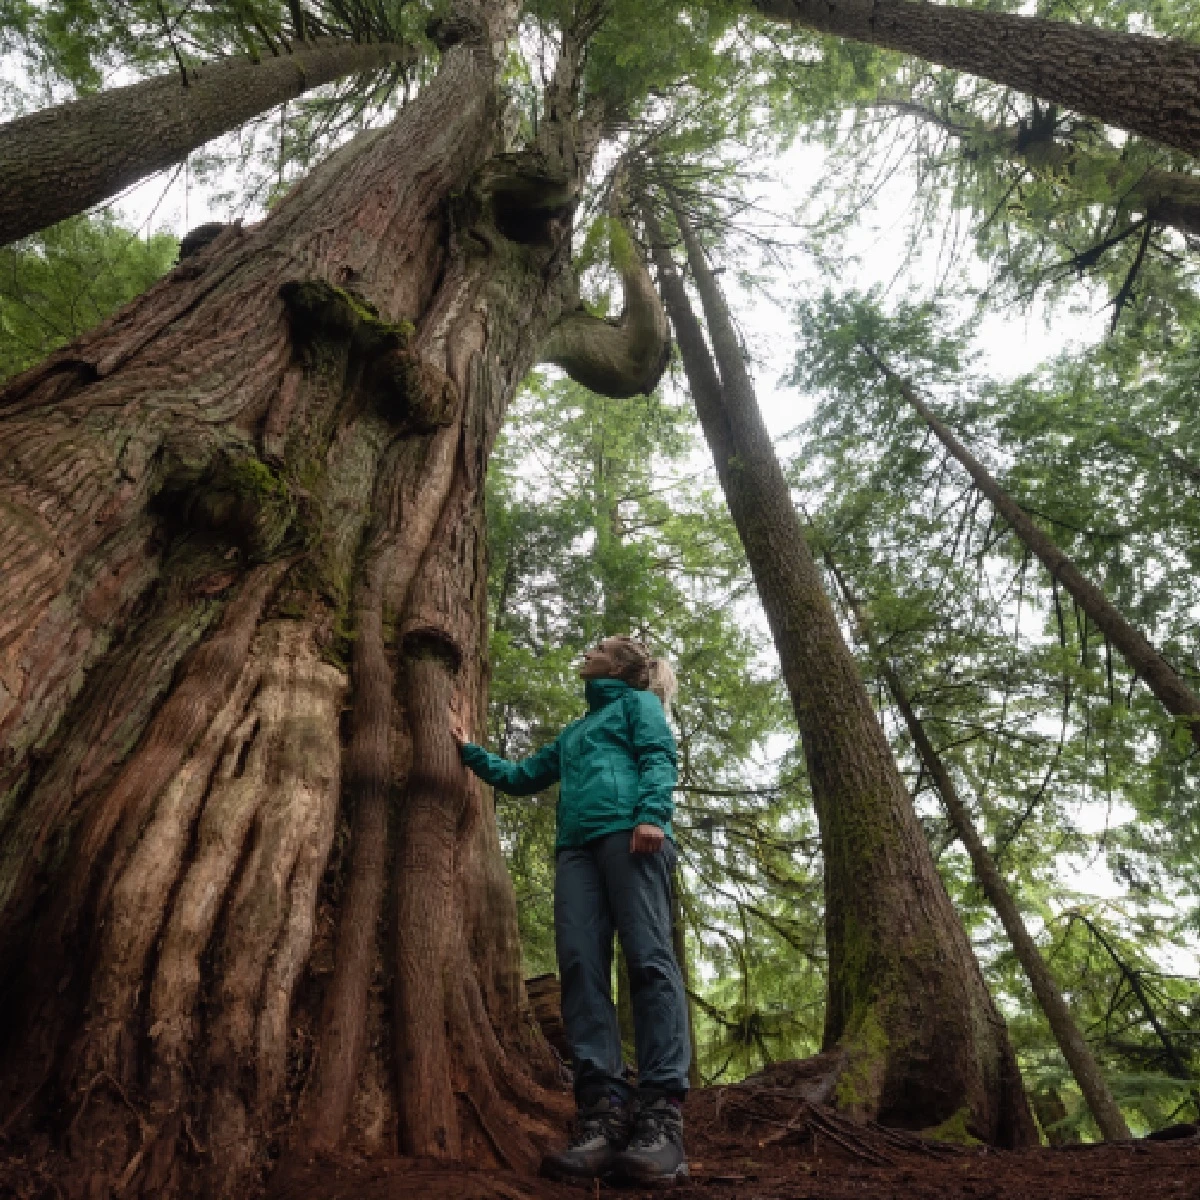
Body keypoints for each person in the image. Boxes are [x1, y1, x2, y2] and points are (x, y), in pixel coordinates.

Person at [451, 636, 690, 1185]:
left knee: (650, 963)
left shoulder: (638, 704)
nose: (590, 649)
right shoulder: (577, 732)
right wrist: (468, 749)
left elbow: (659, 755)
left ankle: (661, 1119)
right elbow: (521, 778)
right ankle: (602, 1115)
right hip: (576, 851)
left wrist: (652, 813)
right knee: (581, 968)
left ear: (623, 665)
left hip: (633, 835)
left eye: (601, 646)